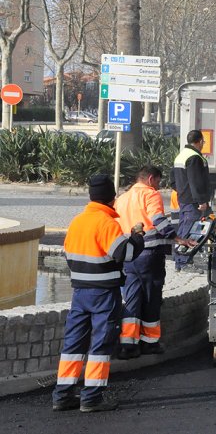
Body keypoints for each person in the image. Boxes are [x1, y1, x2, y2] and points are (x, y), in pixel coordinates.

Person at [52, 174, 145, 413]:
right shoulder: (106, 223)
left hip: (80, 292)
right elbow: (124, 254)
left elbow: (69, 256)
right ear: (111, 198)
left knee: (73, 344)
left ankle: (62, 395)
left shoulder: (77, 222)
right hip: (104, 294)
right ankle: (91, 398)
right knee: (100, 345)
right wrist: (136, 238)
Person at [114, 165, 196, 359]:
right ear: (151, 179)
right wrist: (178, 238)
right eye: (158, 182)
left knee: (131, 299)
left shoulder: (122, 198)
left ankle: (128, 345)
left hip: (128, 257)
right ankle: (149, 343)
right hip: (149, 255)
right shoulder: (150, 195)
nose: (158, 187)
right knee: (151, 298)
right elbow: (158, 219)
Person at [172, 130, 211, 272]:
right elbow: (196, 182)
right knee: (189, 231)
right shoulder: (194, 157)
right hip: (193, 202)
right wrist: (201, 200)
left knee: (183, 229)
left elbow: (172, 181)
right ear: (200, 141)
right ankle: (184, 263)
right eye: (203, 142)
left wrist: (182, 191)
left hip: (184, 199)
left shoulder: (181, 156)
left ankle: (179, 261)